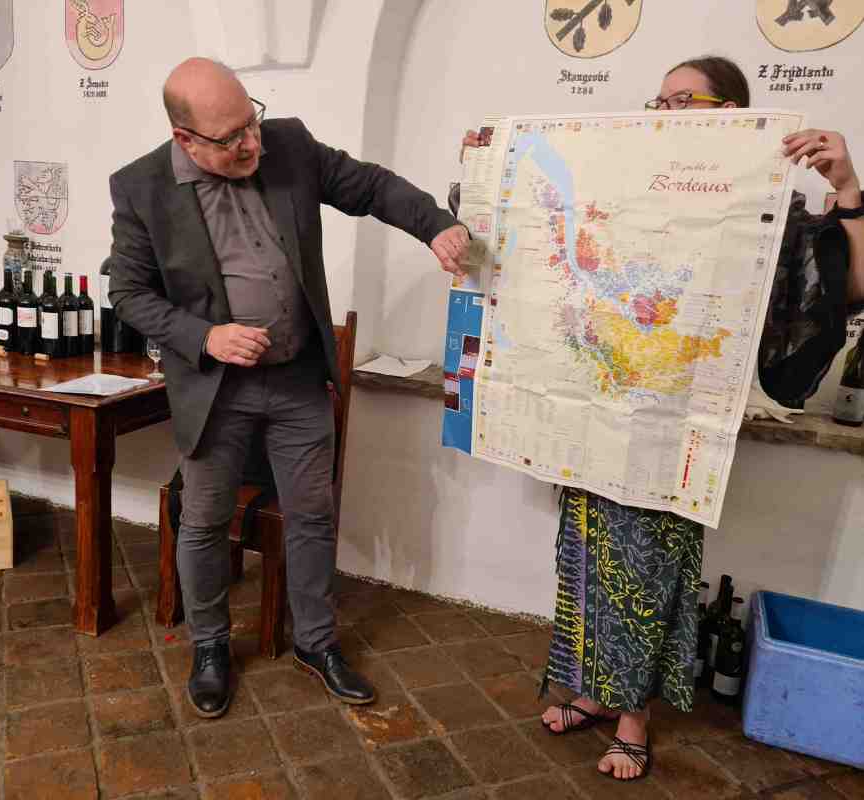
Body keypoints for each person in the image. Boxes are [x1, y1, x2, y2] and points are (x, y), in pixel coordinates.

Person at [461, 55, 863, 781]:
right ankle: (589, 689)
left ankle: (634, 718)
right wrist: (492, 170)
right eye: (661, 100)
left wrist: (846, 188)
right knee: (581, 562)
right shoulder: (632, 192)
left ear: (731, 114)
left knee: (648, 579)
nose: (667, 111)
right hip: (595, 417)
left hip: (669, 436)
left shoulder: (765, 211)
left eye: (684, 100)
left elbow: (846, 289)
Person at [107, 58, 470, 719]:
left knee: (311, 516)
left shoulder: (289, 145)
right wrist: (205, 336)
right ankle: (210, 647)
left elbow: (370, 186)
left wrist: (432, 223)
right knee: (204, 522)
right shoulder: (141, 188)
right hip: (216, 390)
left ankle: (315, 642)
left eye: (252, 121)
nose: (251, 143)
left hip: (299, 379)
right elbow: (128, 293)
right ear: (186, 138)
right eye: (230, 138)